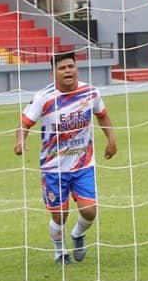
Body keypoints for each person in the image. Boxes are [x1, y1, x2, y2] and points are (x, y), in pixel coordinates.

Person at [16, 51, 118, 266]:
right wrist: (20, 141)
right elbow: (24, 122)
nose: (68, 71)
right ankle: (59, 251)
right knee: (59, 216)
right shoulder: (45, 98)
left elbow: (102, 115)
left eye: (71, 66)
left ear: (76, 68)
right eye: (62, 68)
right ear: (53, 72)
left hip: (83, 164)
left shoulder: (90, 92)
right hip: (53, 168)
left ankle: (78, 234)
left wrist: (111, 139)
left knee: (90, 211)